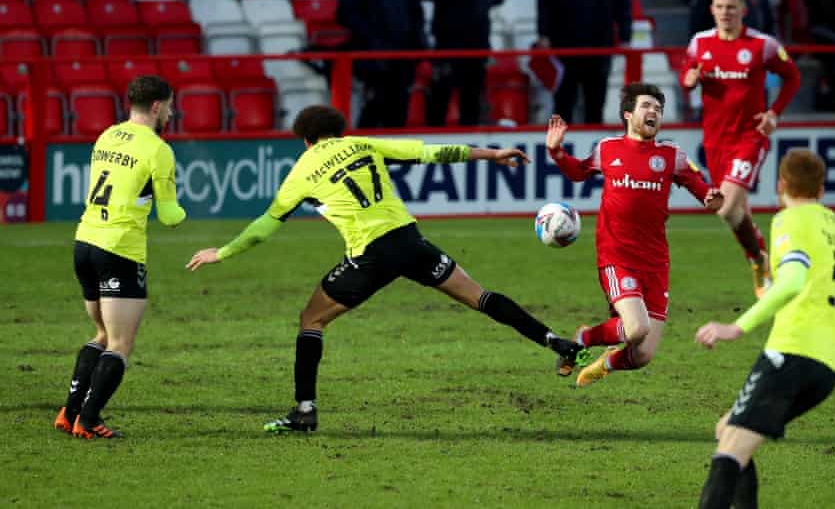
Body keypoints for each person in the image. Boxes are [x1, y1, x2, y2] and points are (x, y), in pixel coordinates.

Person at [186, 104, 583, 432]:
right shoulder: (362, 144)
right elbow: (433, 153)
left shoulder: (303, 171)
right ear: (339, 132)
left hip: (371, 255)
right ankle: (555, 342)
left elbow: (265, 225)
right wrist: (492, 154)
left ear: (305, 140)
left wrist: (223, 252)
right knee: (479, 296)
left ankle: (304, 412)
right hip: (410, 241)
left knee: (311, 319)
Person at [695, 148, 835, 508]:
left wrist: (736, 328)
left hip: (790, 356)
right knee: (729, 428)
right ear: (822, 190)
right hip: (826, 369)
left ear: (781, 185)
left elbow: (791, 281)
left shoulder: (789, 219)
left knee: (730, 448)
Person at [545, 83, 723, 386]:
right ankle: (581, 340)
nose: (653, 111)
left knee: (642, 355)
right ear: (628, 114)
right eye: (646, 106)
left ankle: (602, 362)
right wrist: (556, 151)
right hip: (618, 256)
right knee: (637, 328)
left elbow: (699, 185)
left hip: (656, 262)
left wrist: (711, 196)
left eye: (658, 108)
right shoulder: (608, 149)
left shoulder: (671, 155)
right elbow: (578, 172)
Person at [54, 75, 185, 439]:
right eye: (170, 106)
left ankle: (70, 410)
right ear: (156, 106)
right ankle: (90, 419)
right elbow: (170, 215)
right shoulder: (158, 149)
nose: (171, 113)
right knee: (121, 343)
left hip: (85, 243)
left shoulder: (107, 135)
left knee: (101, 332)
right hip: (119, 249)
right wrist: (181, 209)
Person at [681, 0, 801, 299]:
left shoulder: (762, 45)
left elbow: (793, 76)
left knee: (725, 206)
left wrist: (774, 113)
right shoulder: (700, 43)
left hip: (749, 137)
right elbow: (686, 73)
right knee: (734, 213)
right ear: (711, 10)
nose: (725, 13)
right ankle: (760, 259)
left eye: (731, 7)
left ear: (743, 10)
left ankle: (759, 259)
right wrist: (689, 80)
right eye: (719, 7)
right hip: (714, 139)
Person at [416, 0, 511, 126]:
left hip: (477, 37)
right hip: (447, 37)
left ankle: (471, 142)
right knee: (440, 95)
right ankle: (432, 141)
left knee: (472, 97)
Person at [536, 0, 632, 124]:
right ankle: (559, 144)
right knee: (563, 104)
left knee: (595, 104)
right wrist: (543, 33)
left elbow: (622, 2)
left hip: (599, 48)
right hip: (564, 48)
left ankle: (595, 143)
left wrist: (625, 37)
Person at [337, 0, 427, 128]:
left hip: (403, 59)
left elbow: (417, 16)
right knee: (375, 106)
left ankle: (395, 150)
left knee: (399, 108)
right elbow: (348, 16)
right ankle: (361, 148)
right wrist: (373, 41)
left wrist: (417, 47)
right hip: (376, 61)